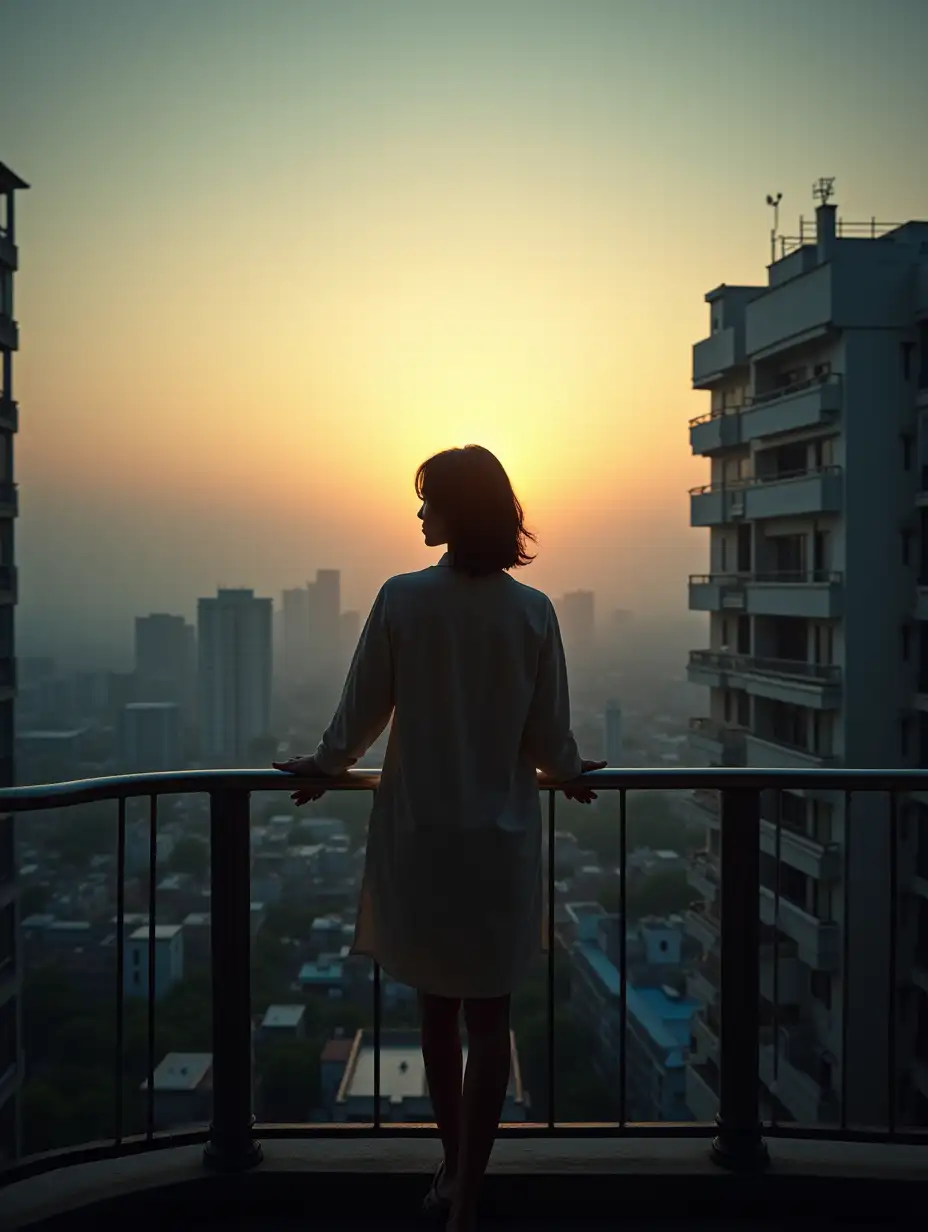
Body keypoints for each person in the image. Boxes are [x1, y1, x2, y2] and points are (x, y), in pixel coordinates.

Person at [273, 444, 604, 1232]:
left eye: (430, 501)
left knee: (437, 1018)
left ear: (459, 511)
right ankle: (472, 1193)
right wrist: (570, 770)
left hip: (421, 837)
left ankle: (452, 1170)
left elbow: (361, 713)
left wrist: (324, 767)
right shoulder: (533, 611)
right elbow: (550, 736)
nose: (420, 514)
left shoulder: (402, 600)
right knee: (491, 1023)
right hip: (500, 844)